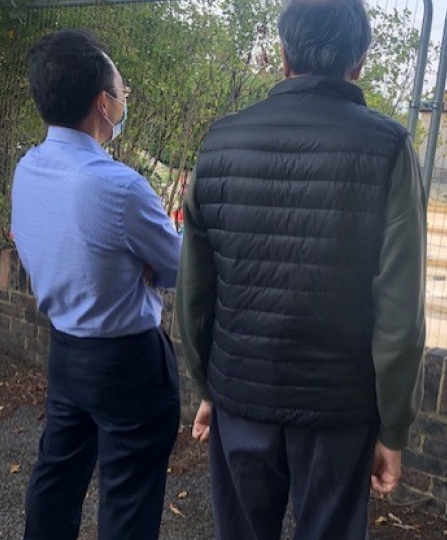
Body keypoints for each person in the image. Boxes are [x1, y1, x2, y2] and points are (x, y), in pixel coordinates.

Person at [177, 0, 426, 537]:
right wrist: (393, 428)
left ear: (283, 57)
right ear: (357, 61)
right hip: (339, 409)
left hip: (241, 393)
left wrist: (207, 386)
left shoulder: (219, 142)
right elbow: (400, 311)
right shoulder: (388, 147)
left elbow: (195, 290)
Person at [11, 30, 181, 540]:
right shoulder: (118, 186)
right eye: (122, 92)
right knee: (128, 495)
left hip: (65, 351)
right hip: (128, 361)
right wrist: (154, 260)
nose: (124, 100)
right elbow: (177, 266)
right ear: (103, 104)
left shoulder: (28, 168)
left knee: (57, 477)